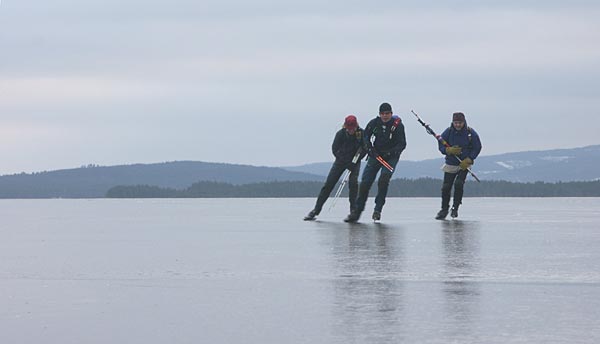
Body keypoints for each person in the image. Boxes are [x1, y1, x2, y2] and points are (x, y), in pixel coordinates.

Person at [344, 102, 406, 223]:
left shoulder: (398, 126)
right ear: (379, 114)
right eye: (382, 114)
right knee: (365, 183)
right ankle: (356, 212)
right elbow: (365, 137)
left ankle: (378, 209)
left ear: (391, 113)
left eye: (387, 113)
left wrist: (391, 153)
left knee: (383, 180)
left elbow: (402, 144)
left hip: (391, 157)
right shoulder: (374, 123)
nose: (385, 116)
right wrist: (370, 149)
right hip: (376, 155)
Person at [304, 115, 366, 221]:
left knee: (353, 184)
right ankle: (315, 210)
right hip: (340, 161)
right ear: (345, 126)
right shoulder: (340, 134)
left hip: (354, 162)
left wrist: (356, 160)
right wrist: (345, 161)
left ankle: (353, 212)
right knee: (329, 184)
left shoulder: (362, 134)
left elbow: (364, 148)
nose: (351, 130)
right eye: (349, 128)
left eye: (353, 128)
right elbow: (334, 149)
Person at [435, 112, 482, 220]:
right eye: (456, 123)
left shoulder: (471, 133)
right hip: (451, 163)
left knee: (459, 184)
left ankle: (455, 208)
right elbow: (441, 145)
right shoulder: (448, 132)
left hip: (464, 164)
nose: (458, 125)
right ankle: (444, 209)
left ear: (464, 122)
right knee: (446, 187)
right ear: (453, 122)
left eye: (460, 123)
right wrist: (447, 150)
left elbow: (477, 147)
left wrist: (470, 158)